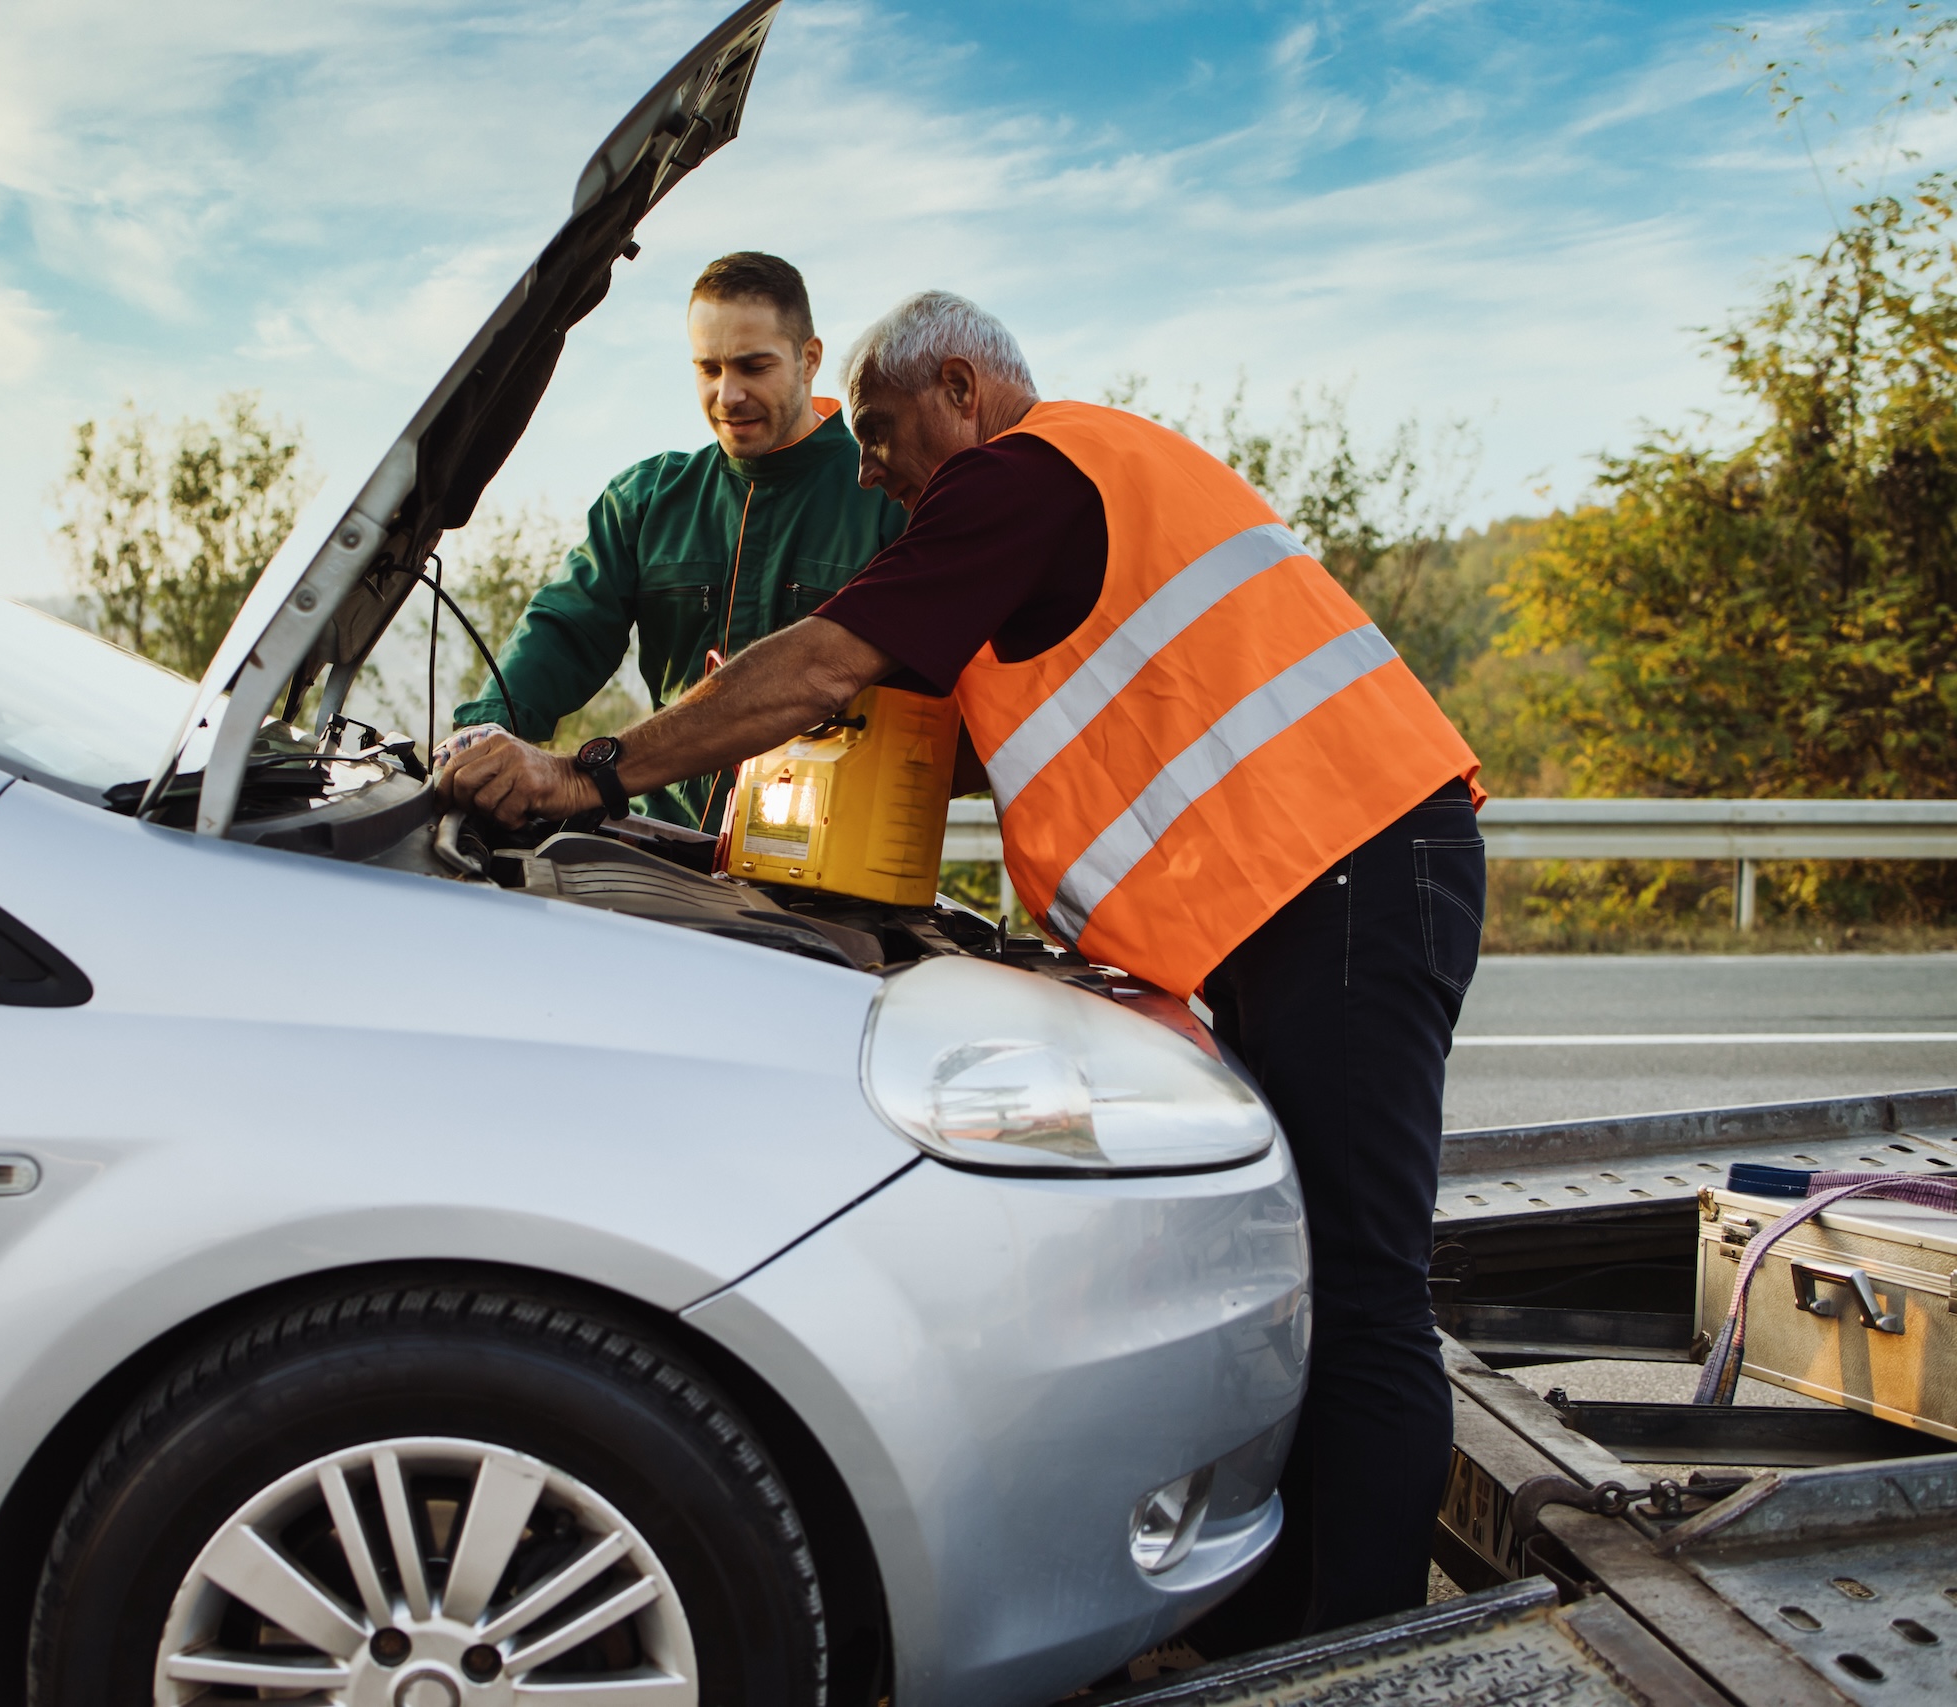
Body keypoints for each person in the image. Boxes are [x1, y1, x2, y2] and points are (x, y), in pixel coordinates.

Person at [436, 290, 1488, 1645]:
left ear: (958, 388)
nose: (866, 466)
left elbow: (825, 664)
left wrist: (592, 770)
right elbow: (935, 724)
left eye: (877, 432)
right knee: (1311, 1271)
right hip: (1316, 892)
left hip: (1353, 878)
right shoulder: (1055, 506)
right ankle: (1285, 1615)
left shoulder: (1023, 472)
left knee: (1361, 1287)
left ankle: (1373, 1651)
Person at [444, 251, 904, 828]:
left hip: (827, 869)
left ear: (808, 359)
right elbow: (563, 629)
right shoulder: (645, 499)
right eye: (708, 369)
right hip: (660, 842)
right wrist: (484, 733)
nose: (727, 395)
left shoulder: (889, 498)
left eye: (753, 367)